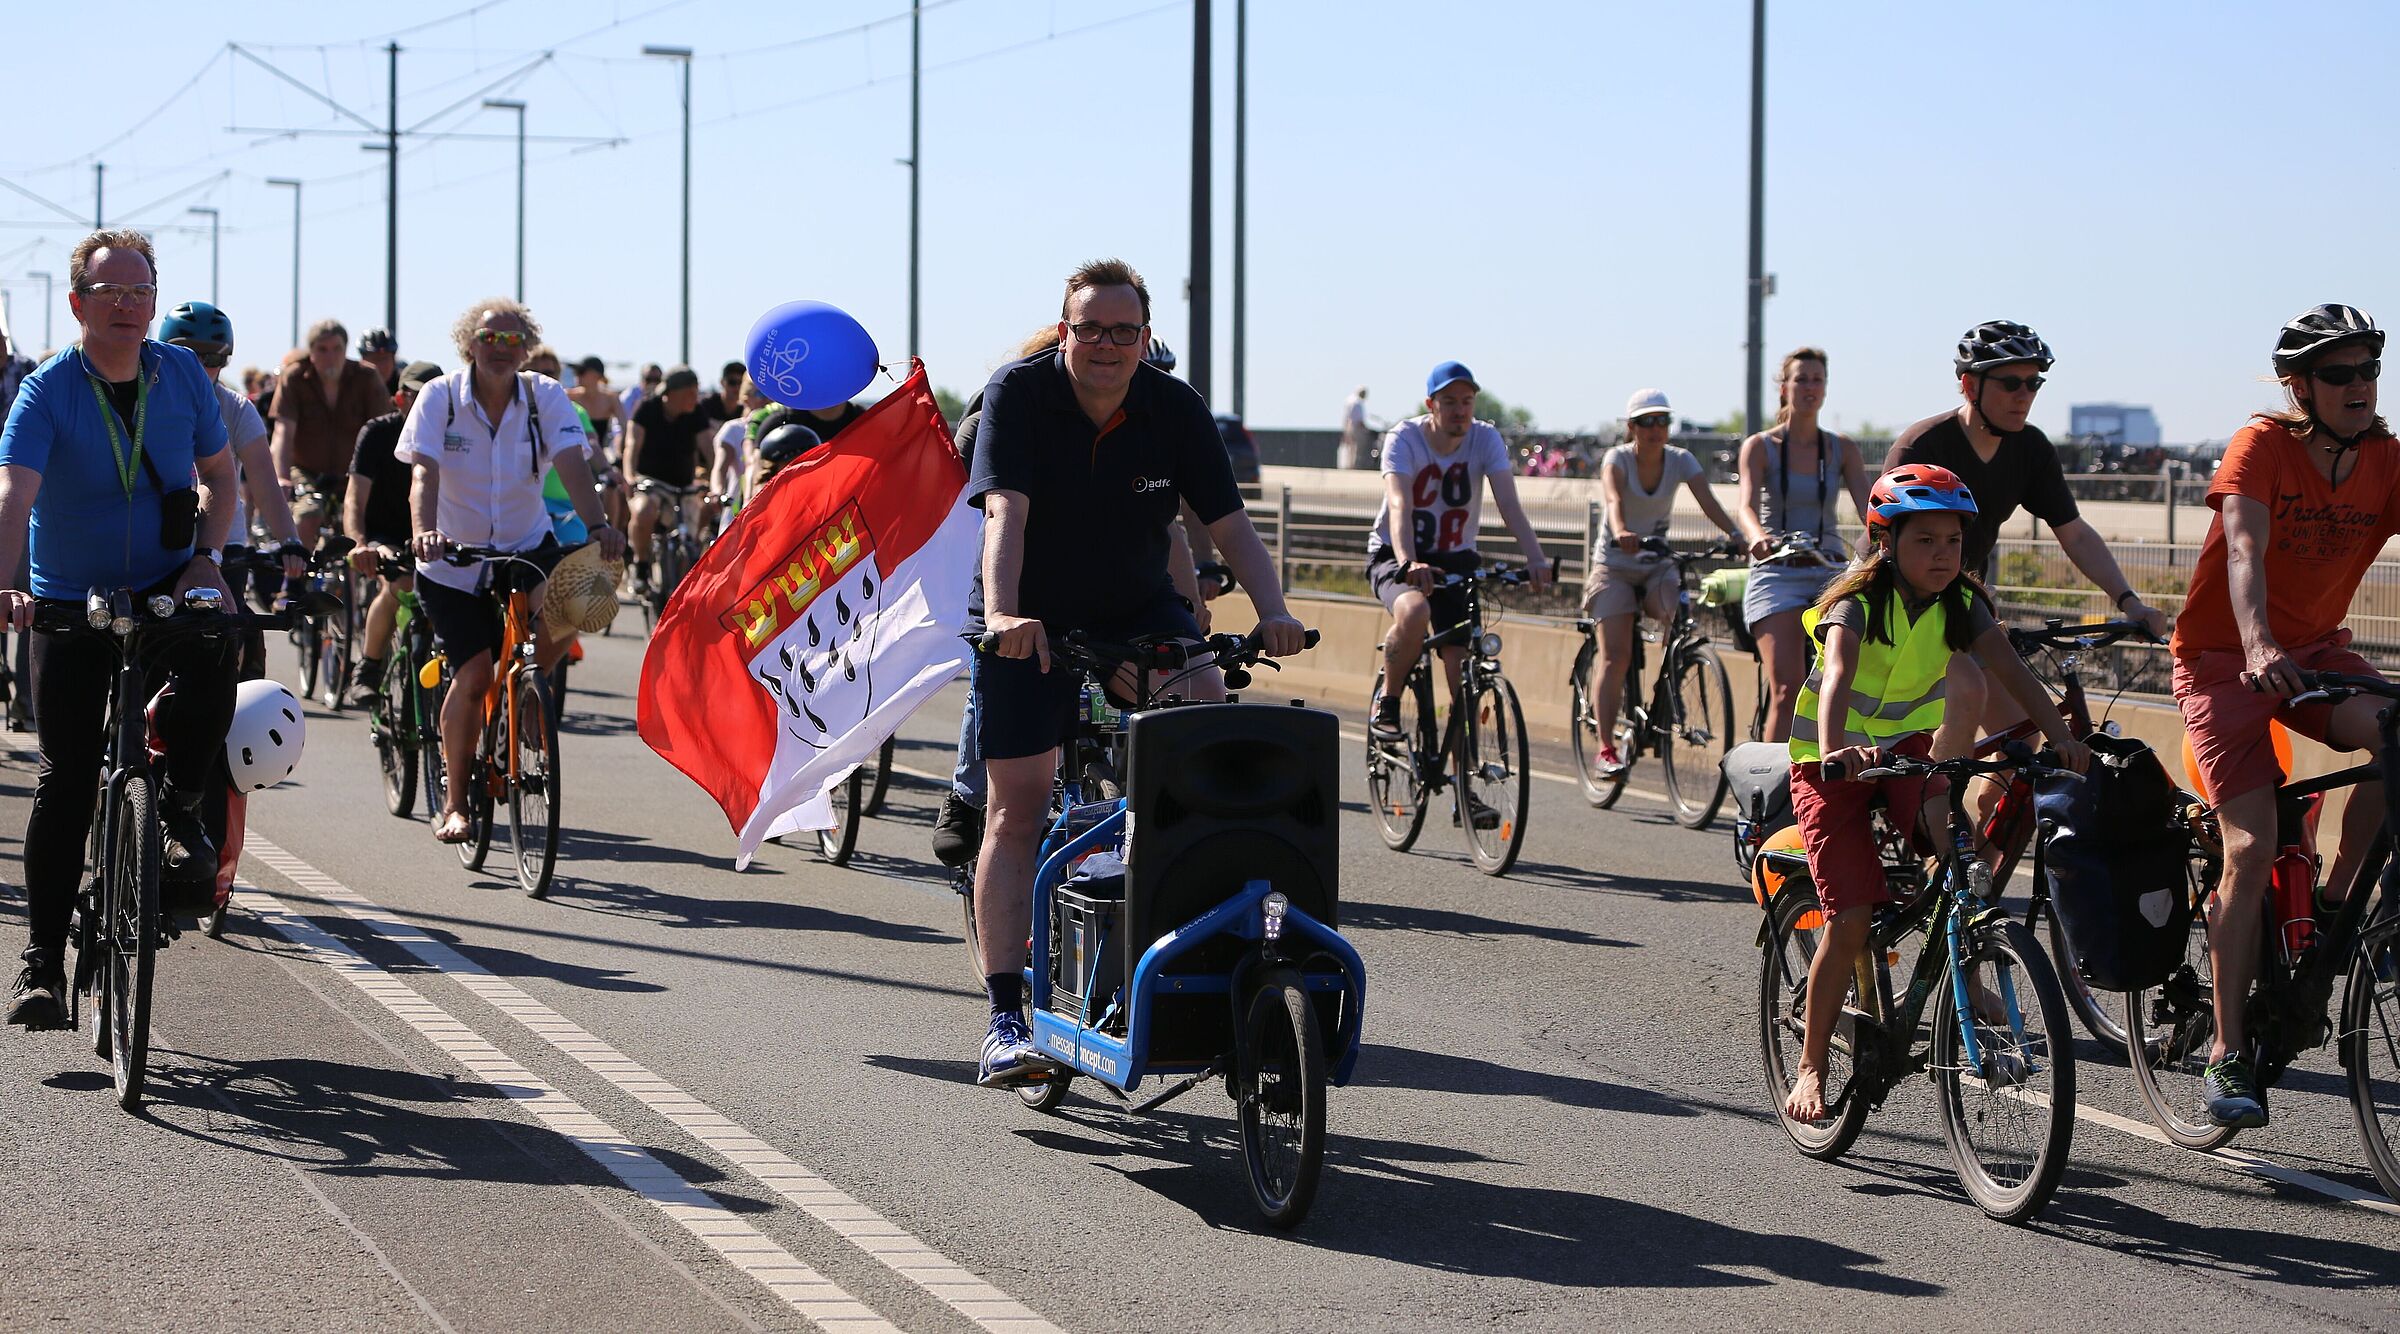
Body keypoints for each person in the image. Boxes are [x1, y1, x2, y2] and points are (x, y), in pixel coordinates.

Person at [968, 258, 1307, 1087]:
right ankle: (1006, 1019)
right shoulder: (1018, 395)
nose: (1107, 346)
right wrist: (1006, 615)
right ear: (1065, 332)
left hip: (1134, 607)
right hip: (1033, 615)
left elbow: (1228, 525)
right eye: (1090, 330)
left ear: (1144, 338)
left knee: (1206, 703)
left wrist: (1274, 608)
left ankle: (1189, 928)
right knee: (1016, 809)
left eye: (1124, 331)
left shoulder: (1173, 408)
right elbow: (1005, 513)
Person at [1780, 465, 2089, 1123]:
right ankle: (1812, 1065)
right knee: (1854, 916)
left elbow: (2014, 670)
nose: (1943, 554)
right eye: (1925, 541)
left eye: (1953, 541)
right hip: (1826, 765)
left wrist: (2064, 739)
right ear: (1887, 542)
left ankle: (1970, 973)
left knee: (1957, 856)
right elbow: (1835, 675)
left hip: (1903, 756)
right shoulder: (1856, 603)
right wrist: (1836, 748)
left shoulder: (1963, 604)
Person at [0, 230, 244, 1027]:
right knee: (66, 776)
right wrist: (7, 585)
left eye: (142, 292)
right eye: (112, 295)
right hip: (70, 597)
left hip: (169, 583)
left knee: (219, 644)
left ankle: (176, 806)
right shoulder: (45, 391)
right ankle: (40, 961)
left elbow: (220, 472)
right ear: (78, 305)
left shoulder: (179, 374)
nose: (131, 307)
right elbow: (15, 496)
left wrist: (209, 557)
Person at [2168, 304, 2400, 1127]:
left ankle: (2339, 902)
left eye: (2369, 368)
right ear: (2299, 386)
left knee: (2396, 737)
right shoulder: (2262, 445)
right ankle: (2227, 1056)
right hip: (2226, 662)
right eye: (2338, 374)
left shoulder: (2385, 460)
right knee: (2252, 844)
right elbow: (2242, 547)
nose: (2359, 386)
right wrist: (2258, 642)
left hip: (2319, 652)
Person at [1883, 321, 2171, 760]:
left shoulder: (2031, 449)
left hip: (1965, 608)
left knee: (2020, 737)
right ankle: (1933, 818)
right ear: (1968, 385)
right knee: (1964, 698)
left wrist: (2129, 601)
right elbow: (1882, 544)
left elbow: (2073, 532)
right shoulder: (1922, 446)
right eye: (2011, 382)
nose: (2025, 395)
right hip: (1904, 609)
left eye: (2034, 383)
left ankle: (1981, 826)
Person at [396, 297, 622, 845]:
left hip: (526, 544)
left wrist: (598, 526)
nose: (501, 348)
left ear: (527, 348)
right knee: (472, 675)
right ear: (469, 343)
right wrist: (425, 530)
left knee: (588, 595)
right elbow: (423, 474)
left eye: (513, 340)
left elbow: (572, 463)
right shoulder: (440, 397)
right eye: (490, 338)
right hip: (454, 558)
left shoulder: (543, 397)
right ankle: (454, 804)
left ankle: (525, 691)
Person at [1366, 362, 1553, 751]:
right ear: (1431, 404)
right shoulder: (1405, 437)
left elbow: (1509, 505)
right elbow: (1400, 503)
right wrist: (1408, 562)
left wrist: (1536, 558)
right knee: (1415, 612)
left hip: (1456, 558)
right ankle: (1389, 701)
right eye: (1449, 401)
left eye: (1467, 401)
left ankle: (1465, 795)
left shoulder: (1485, 438)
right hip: (1396, 552)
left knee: (1463, 680)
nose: (1460, 411)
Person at [1580, 388, 1748, 775]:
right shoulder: (1618, 459)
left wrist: (1737, 536)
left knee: (1678, 616)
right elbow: (1613, 500)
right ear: (1631, 427)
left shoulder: (1680, 460)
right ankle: (1606, 747)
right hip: (1615, 564)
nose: (1656, 429)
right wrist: (1621, 530)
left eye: (1662, 421)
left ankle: (1667, 695)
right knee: (1616, 655)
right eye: (1646, 422)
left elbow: (1708, 501)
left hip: (1657, 563)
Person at [158, 300, 305, 670]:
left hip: (223, 542)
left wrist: (290, 541)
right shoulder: (146, 402)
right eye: (187, 354)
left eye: (213, 358)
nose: (199, 366)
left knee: (228, 646)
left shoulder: (236, 408)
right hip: (157, 540)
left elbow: (265, 481)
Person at [1737, 348, 1872, 742]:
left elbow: (1871, 508)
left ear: (1825, 388)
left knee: (1845, 679)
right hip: (1776, 572)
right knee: (1788, 685)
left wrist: (1882, 543)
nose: (1809, 387)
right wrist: (1757, 537)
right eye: (1801, 379)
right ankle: (1772, 791)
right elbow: (1744, 505)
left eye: (1817, 379)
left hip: (1827, 570)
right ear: (1785, 388)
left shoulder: (1840, 448)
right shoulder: (1760, 447)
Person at [343, 360, 442, 705]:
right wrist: (359, 544)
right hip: (385, 536)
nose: (428, 406)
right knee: (399, 585)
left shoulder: (456, 436)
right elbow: (355, 498)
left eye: (437, 397)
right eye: (418, 396)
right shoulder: (377, 433)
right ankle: (368, 667)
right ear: (399, 398)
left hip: (437, 536)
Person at [271, 318, 388, 549]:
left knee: (359, 524)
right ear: (311, 352)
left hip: (354, 471)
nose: (330, 357)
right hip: (306, 471)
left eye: (337, 349)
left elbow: (382, 431)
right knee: (308, 515)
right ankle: (296, 580)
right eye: (322, 350)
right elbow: (283, 431)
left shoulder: (366, 377)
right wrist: (282, 477)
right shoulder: (295, 378)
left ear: (346, 350)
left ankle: (358, 583)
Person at [623, 365, 713, 592]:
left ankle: (686, 580)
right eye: (690, 392)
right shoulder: (647, 408)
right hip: (651, 482)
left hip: (684, 486)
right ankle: (640, 566)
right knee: (644, 511)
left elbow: (709, 450)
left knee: (694, 530)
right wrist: (630, 476)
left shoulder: (697, 412)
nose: (695, 397)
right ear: (673, 392)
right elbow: (631, 446)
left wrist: (713, 480)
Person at [1338, 385, 1371, 469]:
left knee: (1349, 446)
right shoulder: (1357, 403)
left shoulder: (1349, 400)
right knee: (1355, 448)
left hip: (1348, 427)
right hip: (1356, 428)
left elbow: (1346, 417)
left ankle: (1348, 465)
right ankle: (1352, 466)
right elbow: (1359, 419)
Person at [359, 327, 399, 393]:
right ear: (363, 361)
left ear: (393, 360)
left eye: (385, 359)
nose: (381, 366)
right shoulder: (351, 386)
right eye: (375, 359)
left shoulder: (405, 390)